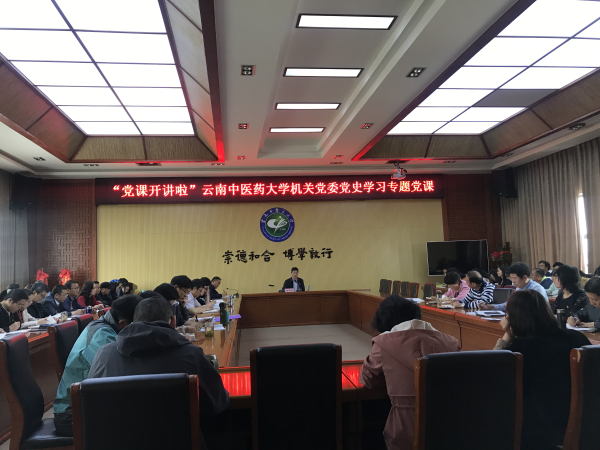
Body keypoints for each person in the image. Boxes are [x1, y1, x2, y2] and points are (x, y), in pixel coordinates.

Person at [88, 297, 230, 418]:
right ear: (173, 321)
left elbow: (91, 403)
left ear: (134, 321)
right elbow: (218, 402)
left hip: (115, 438)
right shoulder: (191, 355)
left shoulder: (103, 354)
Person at [360, 295, 460, 450]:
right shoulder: (451, 342)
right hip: (449, 424)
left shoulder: (383, 343)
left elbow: (368, 380)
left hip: (405, 427)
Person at [494, 290, 590, 450]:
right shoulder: (577, 338)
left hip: (537, 434)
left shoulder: (516, 351)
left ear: (510, 318)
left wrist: (506, 337)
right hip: (584, 426)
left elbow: (492, 379)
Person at [53, 294, 142, 436]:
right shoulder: (103, 337)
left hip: (87, 404)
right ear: (124, 323)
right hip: (71, 415)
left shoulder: (107, 326)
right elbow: (118, 377)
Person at [483, 262, 548, 312]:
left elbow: (536, 310)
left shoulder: (537, 289)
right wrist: (490, 307)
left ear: (525, 277)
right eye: (511, 278)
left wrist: (514, 306)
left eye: (514, 278)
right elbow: (508, 304)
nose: (513, 281)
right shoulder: (519, 288)